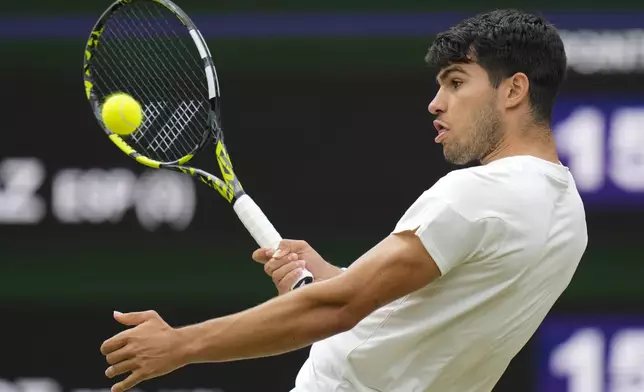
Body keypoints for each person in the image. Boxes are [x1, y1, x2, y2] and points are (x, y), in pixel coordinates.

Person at [100, 9, 588, 392]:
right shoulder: (567, 214)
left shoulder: (475, 194)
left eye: (456, 82)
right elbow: (428, 311)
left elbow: (340, 310)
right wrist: (331, 277)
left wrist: (181, 344)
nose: (435, 103)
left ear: (514, 90)